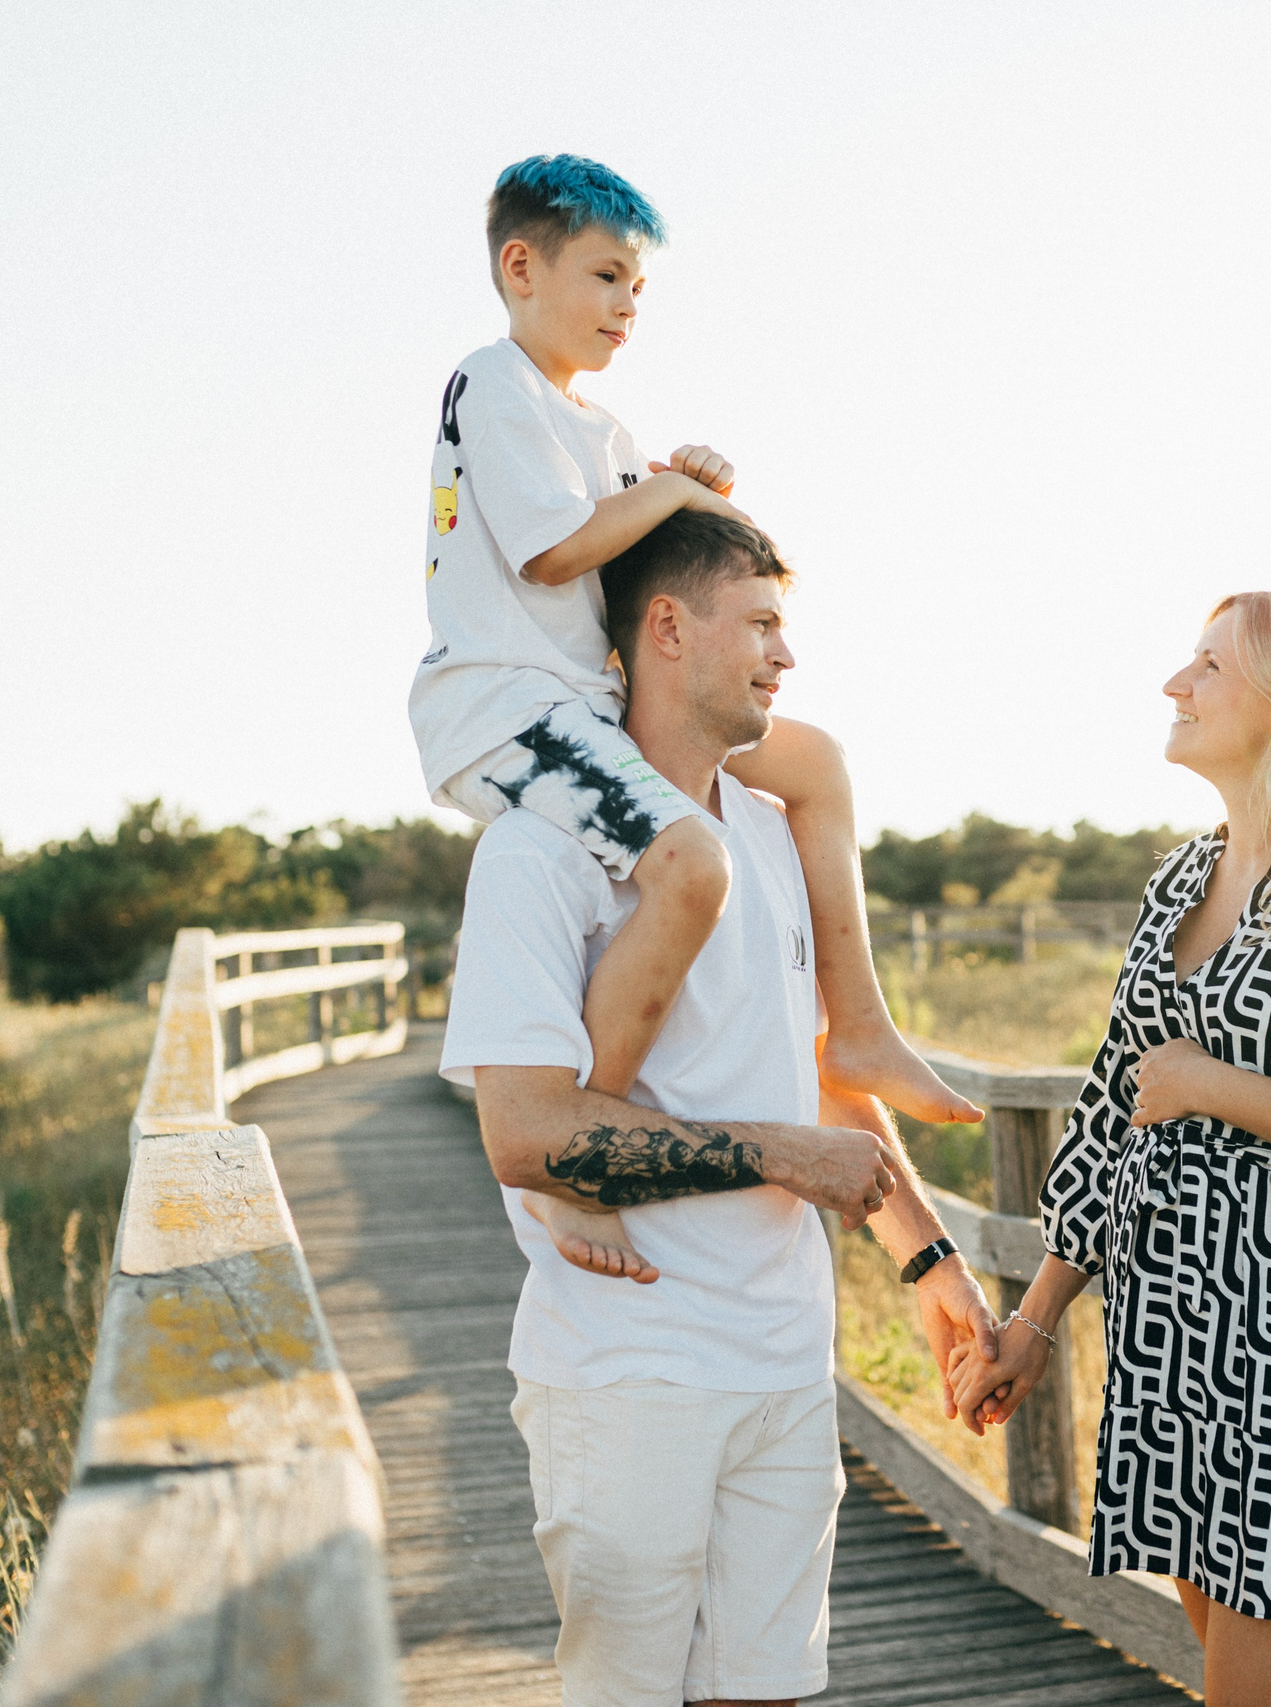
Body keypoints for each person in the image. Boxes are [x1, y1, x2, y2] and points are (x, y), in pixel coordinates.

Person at [446, 509, 998, 1707]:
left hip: (788, 1363)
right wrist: (786, 1160)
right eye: (758, 624)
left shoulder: (772, 833)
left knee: (768, 1694)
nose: (783, 657)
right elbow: (526, 1134)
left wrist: (931, 1262)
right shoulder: (539, 856)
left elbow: (809, 1073)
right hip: (628, 1370)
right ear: (664, 628)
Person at [409, 153, 979, 1281]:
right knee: (693, 865)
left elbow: (636, 542)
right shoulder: (495, 384)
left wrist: (680, 474)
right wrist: (668, 491)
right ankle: (588, 1145)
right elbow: (554, 549)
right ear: (520, 268)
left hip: (588, 705)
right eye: (607, 276)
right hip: (510, 710)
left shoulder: (601, 428)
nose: (627, 305)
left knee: (815, 762)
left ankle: (859, 1022)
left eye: (639, 288)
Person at [948, 591, 1271, 1707]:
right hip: (1172, 1358)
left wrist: (1217, 1089)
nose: (1174, 685)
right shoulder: (1181, 877)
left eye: (1206, 666)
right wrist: (1032, 1323)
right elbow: (1105, 1116)